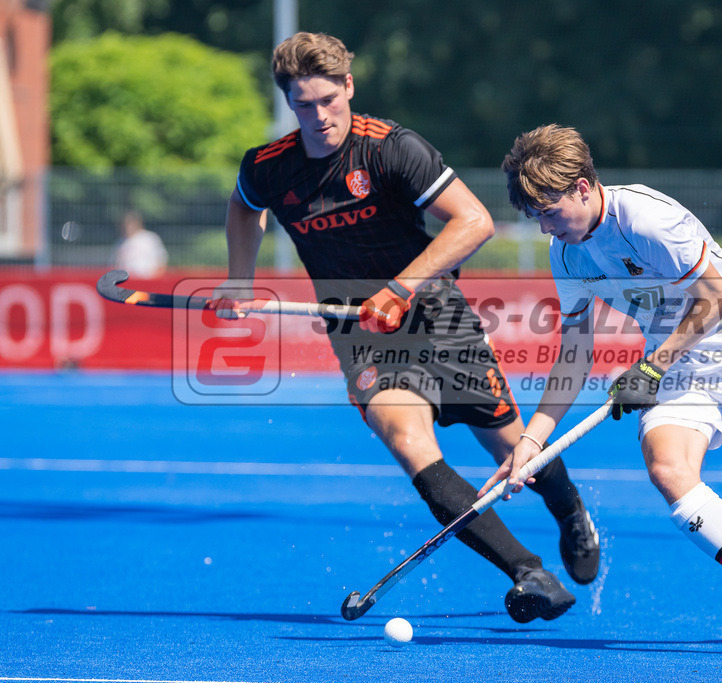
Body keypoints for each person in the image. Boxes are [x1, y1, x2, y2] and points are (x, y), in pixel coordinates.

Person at [210, 33, 600, 623]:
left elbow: (474, 222)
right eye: (303, 105)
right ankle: (529, 572)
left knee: (511, 446)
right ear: (289, 103)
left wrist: (399, 289)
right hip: (358, 332)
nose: (318, 118)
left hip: (434, 315)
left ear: (348, 87)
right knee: (408, 444)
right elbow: (244, 205)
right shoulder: (269, 166)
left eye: (327, 101)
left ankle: (570, 510)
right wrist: (240, 280)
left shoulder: (392, 148)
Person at [486, 124, 722, 641]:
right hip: (676, 367)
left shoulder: (645, 219)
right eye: (535, 219)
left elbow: (718, 298)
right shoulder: (567, 252)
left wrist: (652, 366)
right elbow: (574, 354)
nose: (545, 230)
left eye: (549, 213)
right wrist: (531, 444)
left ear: (582, 186)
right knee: (668, 468)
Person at [112, 210, 168, 278]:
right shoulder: (120, 242)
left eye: (130, 224)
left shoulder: (149, 239)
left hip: (147, 281)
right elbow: (114, 264)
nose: (128, 227)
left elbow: (161, 262)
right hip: (126, 282)